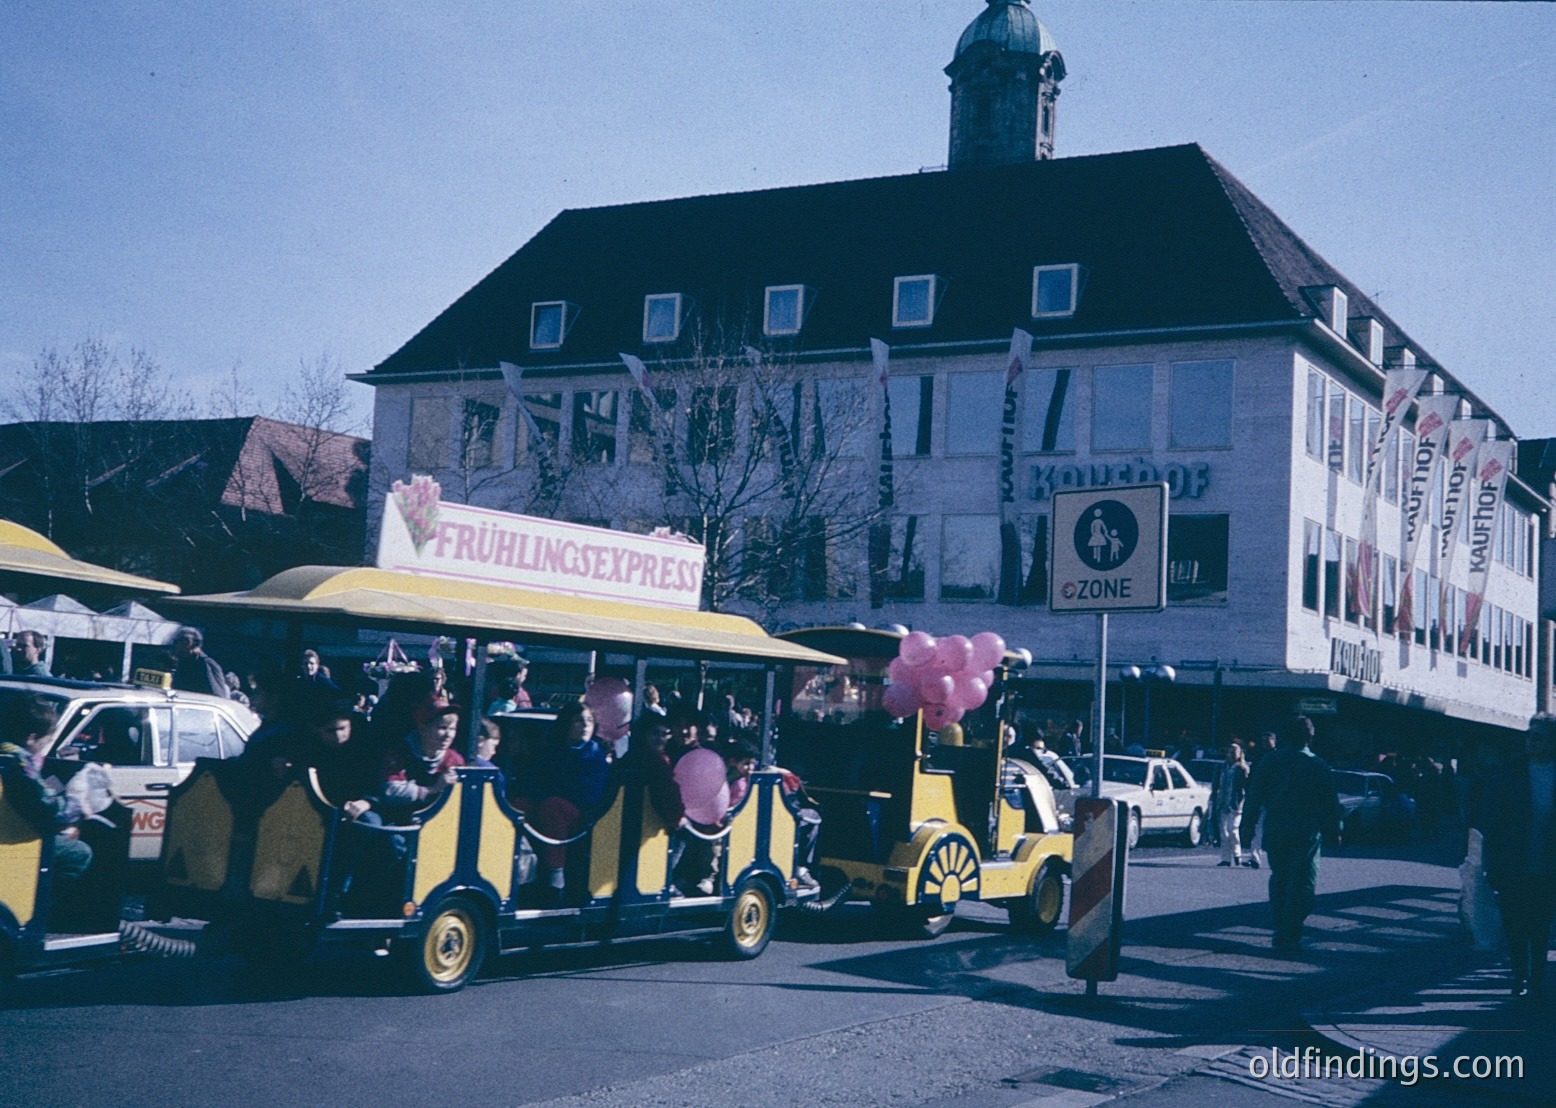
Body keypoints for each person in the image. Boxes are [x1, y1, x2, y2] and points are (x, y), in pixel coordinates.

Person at [1239, 715, 1342, 951]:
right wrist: (1334, 830)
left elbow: (1254, 796)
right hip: (1305, 831)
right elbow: (1330, 803)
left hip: (1276, 827)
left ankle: (1280, 927)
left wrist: (1247, 824)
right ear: (1310, 737)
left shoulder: (1269, 761)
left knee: (1280, 879)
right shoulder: (1318, 765)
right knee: (1303, 883)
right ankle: (1290, 933)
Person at [1473, 723, 1556, 998]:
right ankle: (1520, 975)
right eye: (1529, 737)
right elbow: (1490, 820)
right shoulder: (1509, 774)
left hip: (1549, 867)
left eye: (1539, 738)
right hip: (1514, 864)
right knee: (1515, 925)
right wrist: (1489, 860)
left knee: (1541, 925)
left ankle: (1536, 977)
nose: (1532, 742)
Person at [0, 695, 92, 895]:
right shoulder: (19, 765)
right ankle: (42, 907)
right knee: (79, 853)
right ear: (31, 737)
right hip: (13, 839)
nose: (46, 744)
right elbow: (47, 808)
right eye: (46, 739)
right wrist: (76, 805)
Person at [524, 701, 609, 903]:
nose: (585, 725)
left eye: (589, 720)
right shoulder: (551, 750)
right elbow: (534, 779)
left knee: (553, 808)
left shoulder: (595, 754)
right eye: (579, 721)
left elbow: (590, 793)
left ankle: (556, 878)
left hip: (582, 814)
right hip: (546, 802)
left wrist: (552, 793)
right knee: (518, 806)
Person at [1214, 742, 1250, 867]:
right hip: (1223, 802)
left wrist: (1243, 800)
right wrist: (1214, 798)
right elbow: (1216, 784)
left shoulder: (1243, 768)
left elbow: (1246, 787)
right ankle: (1225, 858)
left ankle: (1237, 854)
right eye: (1230, 752)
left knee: (1233, 830)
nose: (1231, 754)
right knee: (1223, 832)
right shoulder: (1222, 767)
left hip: (1236, 804)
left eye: (1234, 752)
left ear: (1239, 754)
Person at [169, 627, 228, 697]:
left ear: (188, 642)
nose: (175, 646)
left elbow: (216, 697)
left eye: (177, 642)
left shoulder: (205, 664)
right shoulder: (185, 664)